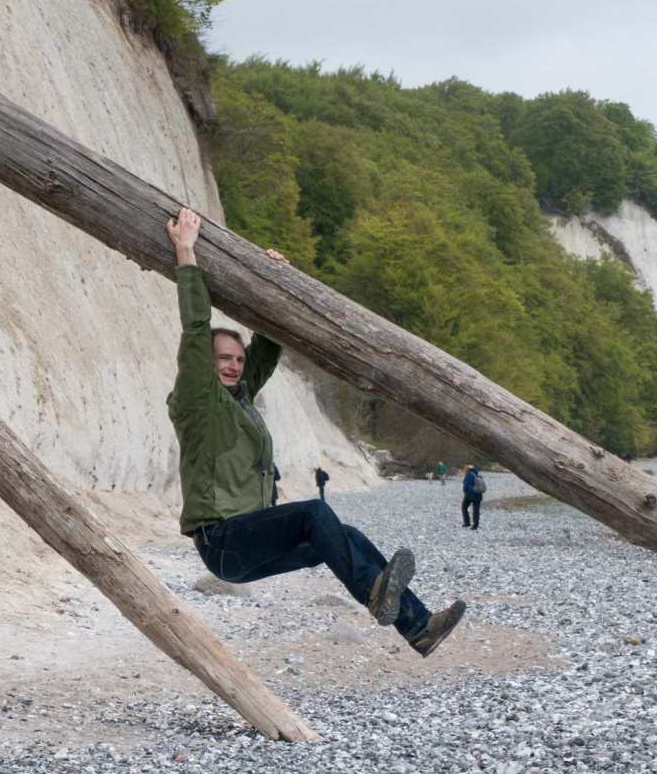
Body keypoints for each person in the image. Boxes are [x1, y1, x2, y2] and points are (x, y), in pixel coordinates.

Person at [164, 207, 465, 657]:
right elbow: (194, 329)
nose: (233, 365)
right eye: (223, 358)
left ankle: (418, 627)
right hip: (224, 542)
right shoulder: (197, 400)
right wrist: (186, 251)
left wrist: (276, 280)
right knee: (315, 516)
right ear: (204, 366)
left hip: (249, 544)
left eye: (237, 359)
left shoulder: (239, 399)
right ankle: (372, 593)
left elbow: (267, 345)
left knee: (348, 536)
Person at [461, 465, 484, 530]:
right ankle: (475, 525)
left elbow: (466, 486)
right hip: (478, 494)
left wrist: (465, 491)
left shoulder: (469, 475)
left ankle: (467, 522)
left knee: (464, 507)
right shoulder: (478, 475)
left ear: (467, 469)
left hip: (470, 494)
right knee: (476, 510)